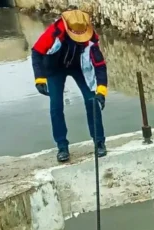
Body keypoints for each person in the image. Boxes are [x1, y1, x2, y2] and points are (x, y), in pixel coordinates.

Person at [31, 7, 108, 163]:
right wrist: (39, 79)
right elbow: (36, 52)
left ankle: (99, 142)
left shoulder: (90, 38)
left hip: (79, 66)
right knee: (56, 105)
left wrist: (101, 90)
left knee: (92, 100)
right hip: (55, 68)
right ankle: (62, 147)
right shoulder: (54, 32)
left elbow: (99, 65)